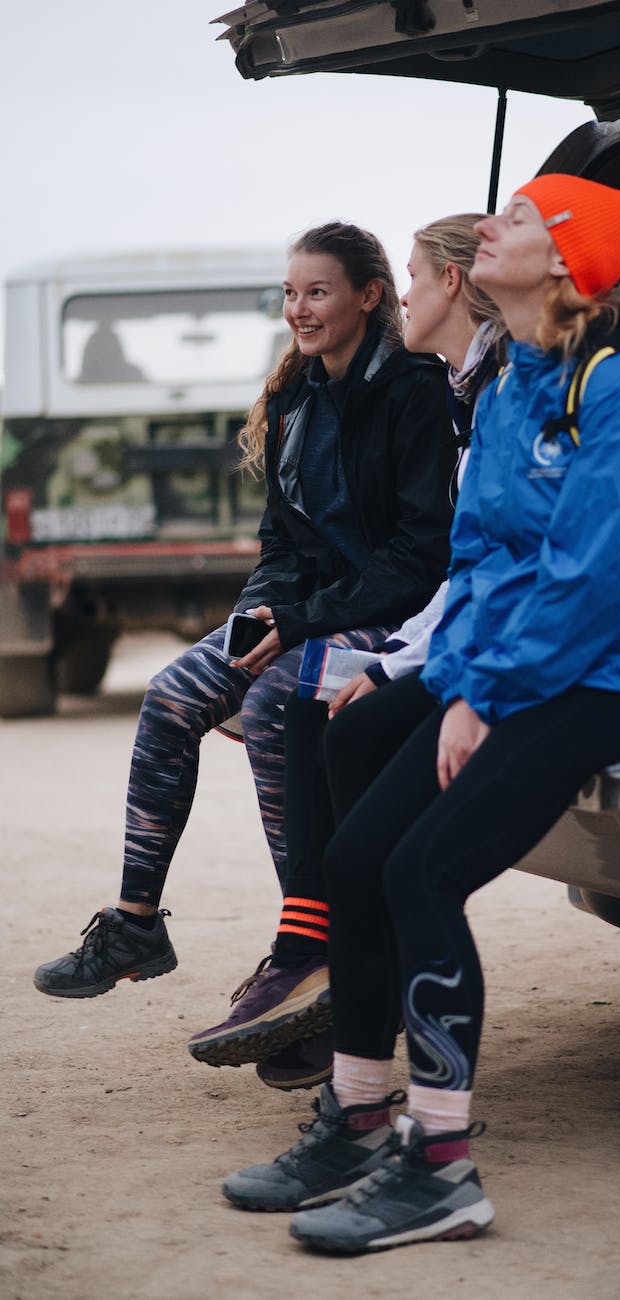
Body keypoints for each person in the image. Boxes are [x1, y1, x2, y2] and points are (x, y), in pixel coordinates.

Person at [222, 175, 620, 1254]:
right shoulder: (508, 389)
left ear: (563, 262)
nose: (491, 227)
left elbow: (600, 576)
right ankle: (357, 1115)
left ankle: (440, 1164)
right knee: (355, 851)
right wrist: (437, 678)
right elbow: (485, 559)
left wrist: (481, 697)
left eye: (523, 220)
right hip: (524, 665)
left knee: (419, 870)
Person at [33, 221, 454, 1000]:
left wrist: (301, 623)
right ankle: (134, 924)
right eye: (290, 292)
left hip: (394, 612)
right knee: (168, 697)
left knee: (268, 709)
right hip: (305, 608)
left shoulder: (413, 391)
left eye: (317, 291)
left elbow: (419, 555)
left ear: (368, 297)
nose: (299, 307)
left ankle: (311, 936)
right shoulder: (295, 393)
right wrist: (261, 615)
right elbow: (282, 538)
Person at [185, 215, 505, 1083]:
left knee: (399, 865)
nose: (403, 296)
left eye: (412, 277)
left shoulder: (479, 393)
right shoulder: (469, 389)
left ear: (453, 285)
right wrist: (386, 658)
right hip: (456, 641)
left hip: (520, 663)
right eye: (289, 293)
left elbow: (478, 566)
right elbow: (466, 567)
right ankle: (310, 972)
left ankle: (371, 1067)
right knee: (310, 721)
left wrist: (423, 666)